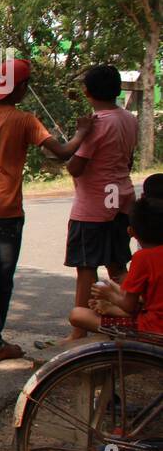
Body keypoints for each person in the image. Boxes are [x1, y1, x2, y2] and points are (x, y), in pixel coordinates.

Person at [0, 58, 91, 362]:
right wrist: (82, 132)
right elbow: (64, 152)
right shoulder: (25, 120)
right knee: (4, 277)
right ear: (23, 88)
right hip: (8, 211)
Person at [64, 65, 137, 339]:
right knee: (118, 264)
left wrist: (77, 137)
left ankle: (78, 332)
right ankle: (132, 317)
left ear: (86, 92)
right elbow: (128, 159)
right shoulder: (129, 119)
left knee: (86, 267)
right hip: (122, 200)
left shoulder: (97, 123)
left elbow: (76, 167)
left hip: (92, 207)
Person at [68, 196, 163, 336]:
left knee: (77, 314)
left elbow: (129, 306)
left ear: (131, 232)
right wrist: (115, 290)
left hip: (152, 329)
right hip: (152, 318)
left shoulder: (143, 258)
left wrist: (109, 294)